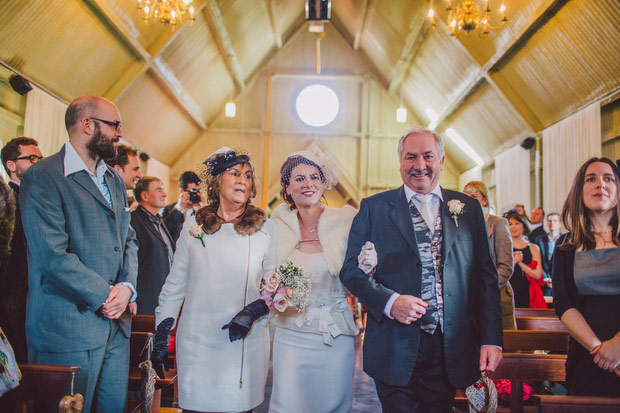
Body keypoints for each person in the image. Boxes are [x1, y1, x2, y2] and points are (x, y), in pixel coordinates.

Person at [340, 126, 502, 412]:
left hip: (449, 345)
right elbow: (351, 271)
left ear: (441, 160)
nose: (419, 165)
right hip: (394, 344)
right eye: (410, 157)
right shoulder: (373, 208)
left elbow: (485, 278)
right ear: (400, 162)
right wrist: (391, 302)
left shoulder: (467, 208)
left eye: (427, 156)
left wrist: (491, 339)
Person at [19, 95, 138, 412]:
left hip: (116, 326)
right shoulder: (43, 177)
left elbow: (129, 237)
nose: (119, 133)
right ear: (87, 125)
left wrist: (126, 287)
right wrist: (106, 294)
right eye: (114, 125)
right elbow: (52, 255)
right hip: (68, 328)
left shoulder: (112, 178)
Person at [154, 147, 275, 412]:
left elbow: (277, 287)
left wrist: (254, 311)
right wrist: (163, 327)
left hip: (243, 339)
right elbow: (176, 284)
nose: (243, 180)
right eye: (235, 174)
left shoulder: (265, 228)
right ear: (217, 181)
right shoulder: (194, 225)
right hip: (198, 342)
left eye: (247, 175)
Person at [268, 151, 358, 413]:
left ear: (322, 182)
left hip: (335, 335)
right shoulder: (277, 226)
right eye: (299, 178)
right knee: (288, 405)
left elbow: (359, 279)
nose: (308, 183)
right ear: (287, 187)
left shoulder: (345, 222)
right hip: (291, 336)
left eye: (314, 177)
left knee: (332, 405)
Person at [553, 157, 620, 396]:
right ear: (579, 191)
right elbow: (564, 303)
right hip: (587, 355)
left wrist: (618, 345)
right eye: (591, 179)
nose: (600, 184)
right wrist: (599, 349)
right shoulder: (565, 244)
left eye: (608, 179)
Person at [0, 137, 42, 363]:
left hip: (33, 299)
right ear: (11, 165)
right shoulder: (7, 199)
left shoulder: (35, 199)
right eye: (32, 158)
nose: (39, 163)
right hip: (12, 301)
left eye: (40, 158)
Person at [463, 181, 516, 330]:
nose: (469, 201)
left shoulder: (498, 223)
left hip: (495, 295)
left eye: (473, 197)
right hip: (467, 298)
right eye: (465, 197)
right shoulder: (459, 225)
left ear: (484, 200)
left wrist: (484, 289)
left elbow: (506, 266)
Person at [131, 177, 175, 315]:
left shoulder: (160, 222)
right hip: (144, 300)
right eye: (159, 190)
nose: (164, 194)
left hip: (164, 298)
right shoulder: (133, 221)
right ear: (144, 196)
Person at [507, 212, 545, 309]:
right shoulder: (504, 247)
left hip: (528, 291)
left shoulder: (533, 247)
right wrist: (513, 262)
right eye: (510, 224)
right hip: (509, 290)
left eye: (517, 223)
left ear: (524, 226)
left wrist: (520, 263)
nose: (513, 227)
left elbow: (537, 275)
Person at [162, 170, 203, 244]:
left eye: (198, 191)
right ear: (182, 191)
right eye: (193, 191)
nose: (195, 195)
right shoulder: (168, 209)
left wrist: (202, 211)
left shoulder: (202, 210)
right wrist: (179, 207)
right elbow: (164, 233)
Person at [534, 212, 561, 296]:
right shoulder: (539, 240)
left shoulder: (565, 240)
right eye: (550, 221)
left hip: (560, 279)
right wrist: (546, 278)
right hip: (544, 280)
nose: (552, 223)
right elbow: (538, 261)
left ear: (560, 223)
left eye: (555, 221)